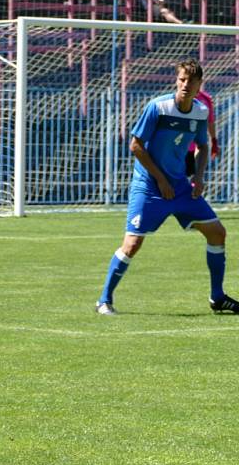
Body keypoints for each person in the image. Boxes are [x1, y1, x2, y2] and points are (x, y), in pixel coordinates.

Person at [96, 58, 239, 316]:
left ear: (199, 85)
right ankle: (104, 300)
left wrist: (198, 176)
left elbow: (203, 146)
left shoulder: (200, 111)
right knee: (132, 244)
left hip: (181, 187)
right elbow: (135, 146)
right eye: (181, 80)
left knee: (217, 233)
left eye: (191, 81)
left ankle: (217, 298)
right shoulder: (158, 107)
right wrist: (161, 180)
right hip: (149, 187)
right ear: (177, 80)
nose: (185, 85)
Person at [184, 88, 218, 177]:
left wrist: (214, 141)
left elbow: (210, 122)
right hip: (179, 146)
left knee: (195, 178)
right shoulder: (180, 97)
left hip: (196, 147)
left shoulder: (206, 99)